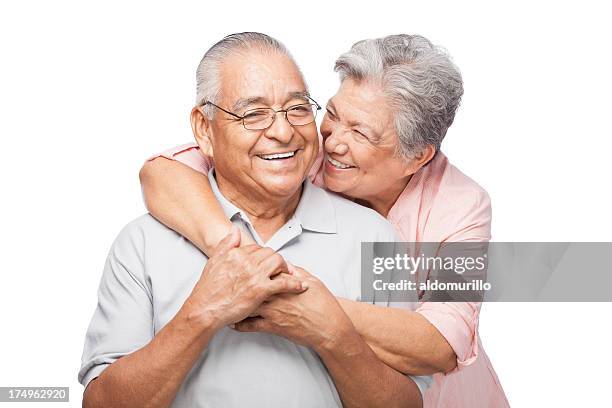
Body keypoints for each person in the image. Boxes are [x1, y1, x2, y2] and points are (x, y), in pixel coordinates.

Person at [140, 34, 509, 407]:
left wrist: (307, 306)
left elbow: (442, 343)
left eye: (361, 132)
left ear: (417, 158)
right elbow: (162, 173)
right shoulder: (297, 155)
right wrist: (248, 264)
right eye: (332, 114)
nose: (333, 142)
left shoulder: (462, 205)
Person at [79, 32, 430, 408]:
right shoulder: (142, 243)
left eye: (297, 109)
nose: (283, 132)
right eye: (253, 114)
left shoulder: (376, 234)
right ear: (204, 129)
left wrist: (334, 334)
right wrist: (203, 312)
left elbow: (412, 395)